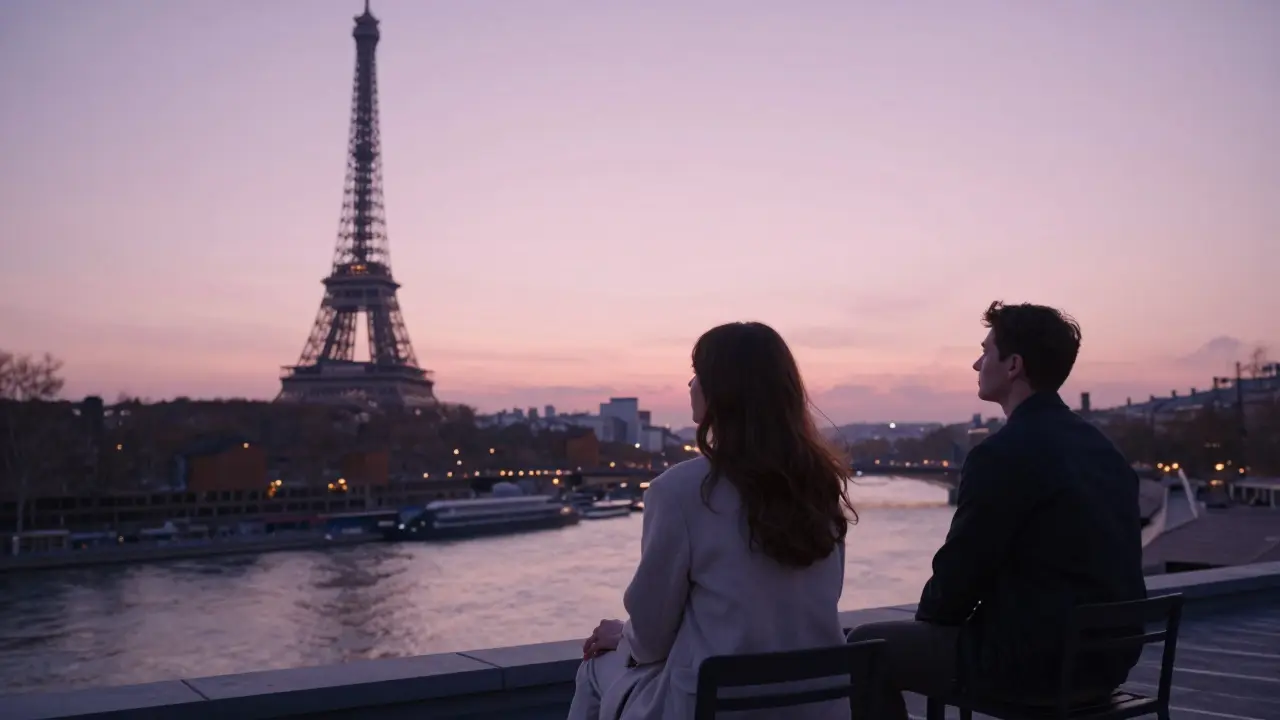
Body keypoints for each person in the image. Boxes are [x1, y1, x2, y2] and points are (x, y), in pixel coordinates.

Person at [847, 301, 1147, 719]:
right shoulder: (1107, 453)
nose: (976, 363)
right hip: (1106, 664)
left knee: (867, 646)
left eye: (986, 351)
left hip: (1032, 667)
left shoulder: (1002, 454)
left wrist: (929, 622)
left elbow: (959, 576)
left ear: (1013, 366)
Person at [567, 322, 858, 720]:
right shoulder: (820, 487)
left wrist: (622, 637)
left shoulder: (679, 491)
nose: (690, 384)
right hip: (817, 703)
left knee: (593, 670)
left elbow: (650, 639)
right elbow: (809, 603)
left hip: (717, 706)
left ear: (721, 392)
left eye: (698, 374)